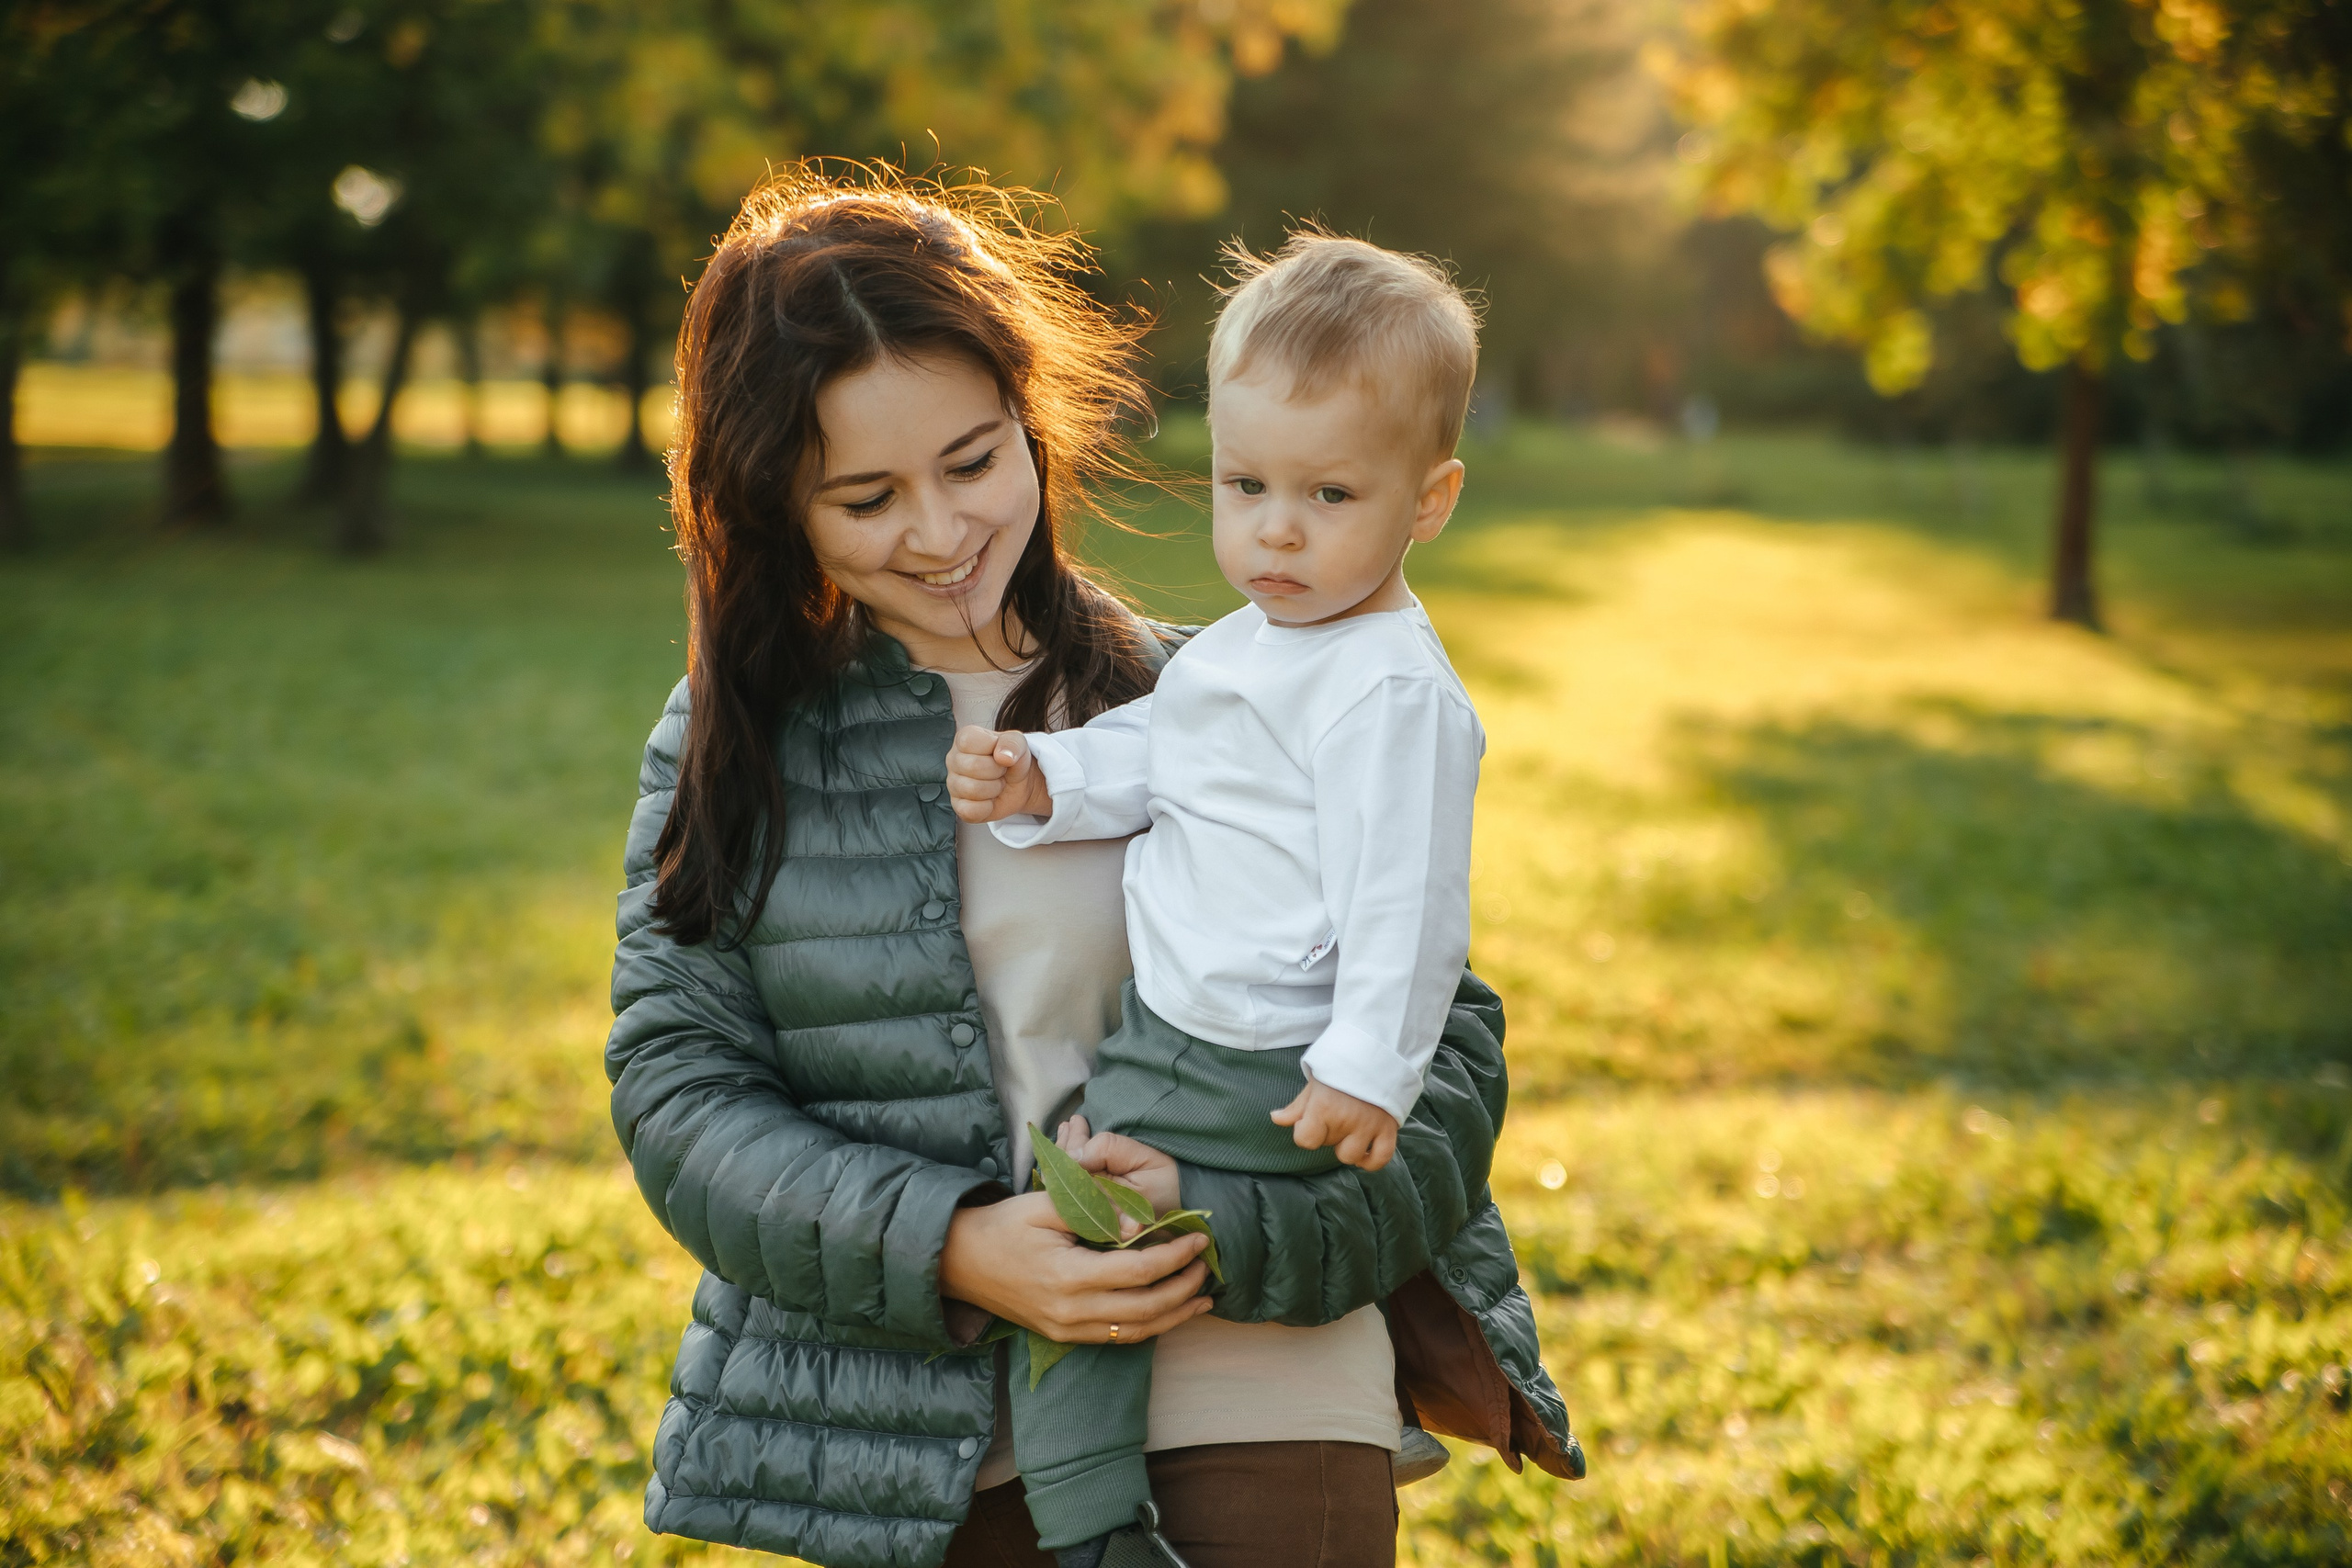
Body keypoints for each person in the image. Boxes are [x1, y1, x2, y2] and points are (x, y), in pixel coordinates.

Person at [607, 163, 1579, 1568]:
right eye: (867, 497)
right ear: (775, 506)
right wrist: (954, 1247)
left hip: (1254, 1361)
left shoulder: (1207, 695)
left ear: (1032, 424)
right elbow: (677, 1087)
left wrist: (1233, 1224)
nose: (941, 536)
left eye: (972, 462)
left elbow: (1446, 1051)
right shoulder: (731, 749)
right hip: (921, 1416)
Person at [946, 234, 1564, 1568]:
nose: (1276, 529)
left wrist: (1365, 1071)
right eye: (1246, 483)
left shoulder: (1388, 689)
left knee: (1092, 1252)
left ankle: (1096, 1516)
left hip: (1271, 1060)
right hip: (1174, 1038)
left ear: (1429, 500)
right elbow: (1152, 757)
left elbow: (1411, 911)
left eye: (1331, 493)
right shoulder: (1248, 647)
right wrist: (1044, 774)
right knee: (1097, 1257)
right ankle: (1117, 1499)